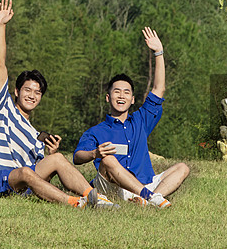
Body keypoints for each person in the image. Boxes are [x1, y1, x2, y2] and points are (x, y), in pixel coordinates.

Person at [0, 0, 118, 209]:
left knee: (58, 159)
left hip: (20, 188)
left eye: (37, 92)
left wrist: (51, 155)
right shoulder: (2, 108)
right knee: (25, 172)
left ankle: (94, 197)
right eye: (27, 90)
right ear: (16, 91)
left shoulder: (35, 136)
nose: (32, 95)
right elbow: (0, 65)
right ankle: (73, 203)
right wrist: (1, 26)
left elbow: (39, 176)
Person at [73, 27, 190, 208]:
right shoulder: (96, 131)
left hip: (144, 183)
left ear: (133, 99)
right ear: (107, 97)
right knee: (108, 160)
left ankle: (148, 198)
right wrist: (95, 153)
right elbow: (77, 157)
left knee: (182, 168)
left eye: (126, 92)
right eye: (117, 92)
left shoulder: (141, 120)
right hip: (113, 187)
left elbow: (159, 89)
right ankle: (151, 198)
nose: (121, 96)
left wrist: (159, 52)